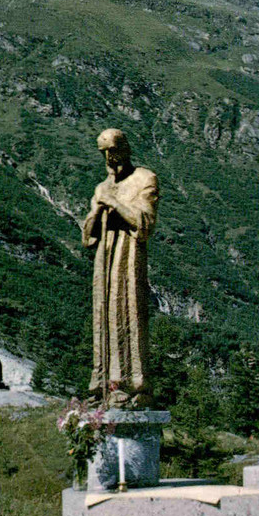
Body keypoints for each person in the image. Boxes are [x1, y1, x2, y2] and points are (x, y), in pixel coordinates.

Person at [81, 129, 158, 408]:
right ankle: (102, 383)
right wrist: (95, 213)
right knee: (103, 313)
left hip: (128, 254)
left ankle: (133, 383)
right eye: (103, 153)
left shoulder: (144, 179)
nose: (109, 158)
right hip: (105, 258)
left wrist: (114, 202)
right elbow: (87, 238)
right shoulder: (101, 187)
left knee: (127, 309)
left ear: (124, 148)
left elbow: (145, 222)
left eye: (112, 150)